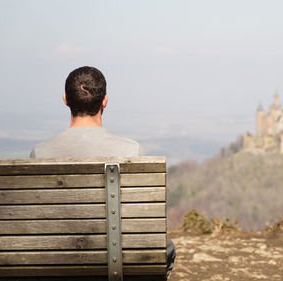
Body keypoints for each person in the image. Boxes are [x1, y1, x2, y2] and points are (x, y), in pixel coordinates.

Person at [30, 66, 176, 277]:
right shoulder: (131, 150)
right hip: (113, 263)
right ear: (105, 100)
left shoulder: (40, 152)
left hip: (57, 260)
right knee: (166, 247)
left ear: (65, 99)